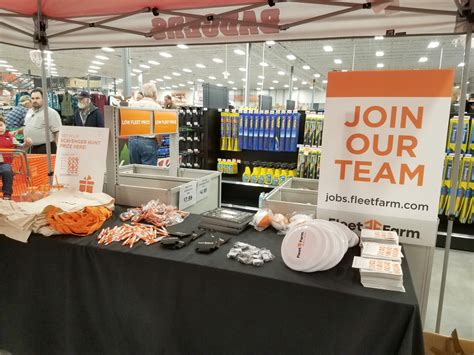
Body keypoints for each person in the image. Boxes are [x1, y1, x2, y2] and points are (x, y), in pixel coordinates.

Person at [15, 88, 62, 154]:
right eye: (33, 98)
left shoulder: (51, 113)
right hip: (31, 148)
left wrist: (60, 150)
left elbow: (57, 132)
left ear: (44, 99)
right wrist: (17, 131)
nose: (34, 100)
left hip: (46, 149)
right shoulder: (29, 111)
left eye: (37, 98)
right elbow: (27, 127)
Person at [128, 83, 163, 165]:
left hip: (132, 140)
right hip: (148, 141)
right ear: (154, 93)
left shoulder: (133, 105)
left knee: (134, 170)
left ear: (143, 93)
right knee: (148, 172)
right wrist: (159, 141)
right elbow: (158, 128)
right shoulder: (157, 107)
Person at [0, 115, 32, 200]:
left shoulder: (11, 137)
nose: (0, 128)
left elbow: (19, 148)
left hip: (4, 164)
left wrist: (26, 144)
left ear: (5, 125)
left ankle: (7, 194)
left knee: (7, 171)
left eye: (1, 125)